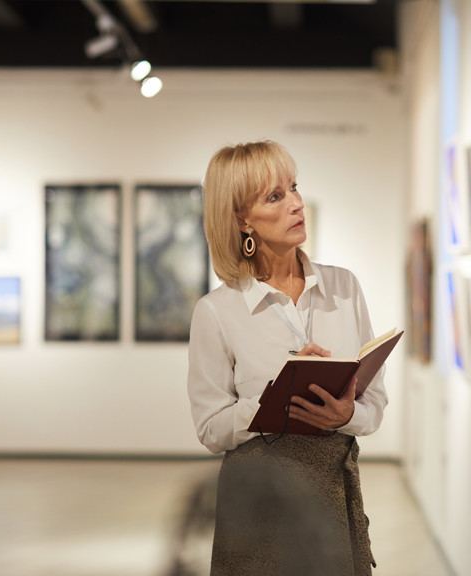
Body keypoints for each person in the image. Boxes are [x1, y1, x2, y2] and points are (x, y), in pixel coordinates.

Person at [187, 140, 387, 576]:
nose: (297, 203)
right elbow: (210, 429)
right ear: (242, 219)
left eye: (294, 187)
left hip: (335, 497)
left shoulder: (344, 287)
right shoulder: (217, 311)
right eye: (275, 197)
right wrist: (271, 398)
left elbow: (375, 408)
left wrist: (346, 413)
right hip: (258, 503)